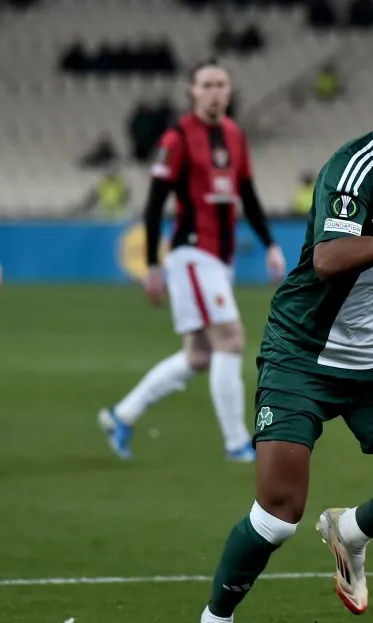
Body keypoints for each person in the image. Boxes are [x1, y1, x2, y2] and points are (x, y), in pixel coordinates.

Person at [183, 56, 373, 623]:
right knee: (278, 517)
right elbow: (330, 260)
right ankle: (215, 621)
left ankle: (352, 531)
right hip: (303, 357)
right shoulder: (354, 168)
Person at [98, 60, 286, 462]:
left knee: (199, 355)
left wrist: (270, 242)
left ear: (230, 91)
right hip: (192, 251)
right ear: (192, 91)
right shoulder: (178, 137)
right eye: (207, 84)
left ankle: (122, 415)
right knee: (231, 339)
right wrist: (151, 264)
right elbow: (153, 204)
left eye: (222, 84)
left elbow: (248, 195)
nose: (216, 91)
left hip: (220, 256)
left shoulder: (235, 136)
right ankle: (237, 443)